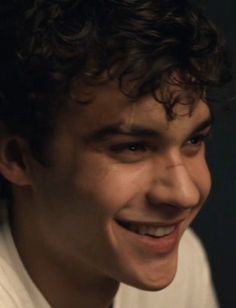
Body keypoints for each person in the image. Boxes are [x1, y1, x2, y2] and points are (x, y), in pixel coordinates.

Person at [0, 0, 231, 307]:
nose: (185, 194)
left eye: (193, 141)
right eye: (132, 147)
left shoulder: (183, 261)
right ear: (17, 157)